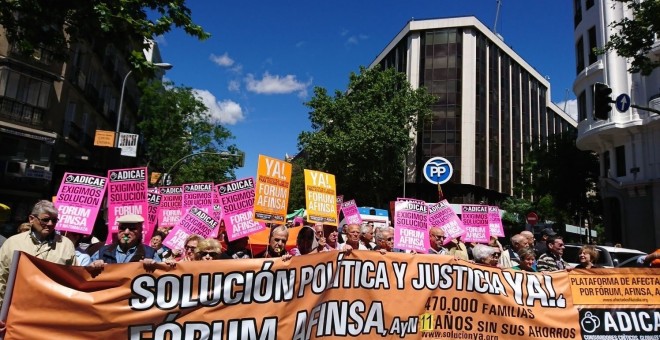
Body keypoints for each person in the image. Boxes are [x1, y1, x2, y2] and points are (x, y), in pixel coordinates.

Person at [0, 200, 77, 309]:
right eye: (45, 220)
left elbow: (73, 279)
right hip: (17, 309)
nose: (50, 224)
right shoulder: (13, 243)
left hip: (51, 310)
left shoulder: (66, 245)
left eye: (54, 220)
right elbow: (2, 277)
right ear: (32, 219)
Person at [90, 214, 161, 266]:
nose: (126, 232)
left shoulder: (150, 253)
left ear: (140, 231)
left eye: (132, 228)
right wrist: (93, 266)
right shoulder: (103, 252)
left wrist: (154, 266)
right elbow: (85, 275)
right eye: (122, 228)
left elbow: (161, 276)